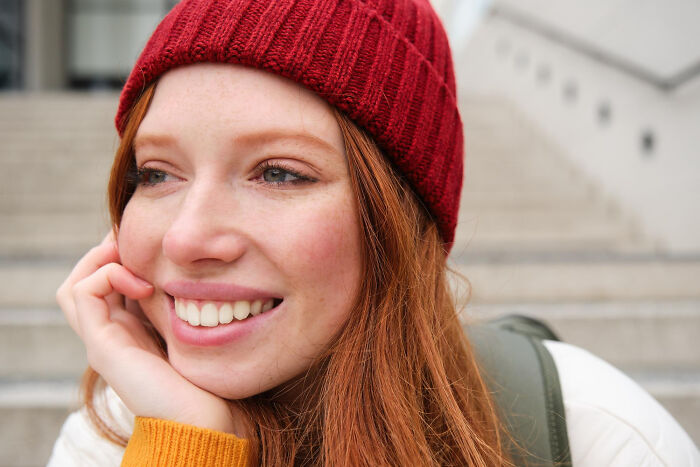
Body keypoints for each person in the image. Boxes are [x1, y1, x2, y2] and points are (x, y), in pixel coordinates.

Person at [50, 0, 698, 465]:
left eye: (278, 173)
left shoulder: (601, 436)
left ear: (396, 221)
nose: (188, 238)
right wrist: (185, 447)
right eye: (157, 173)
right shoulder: (110, 440)